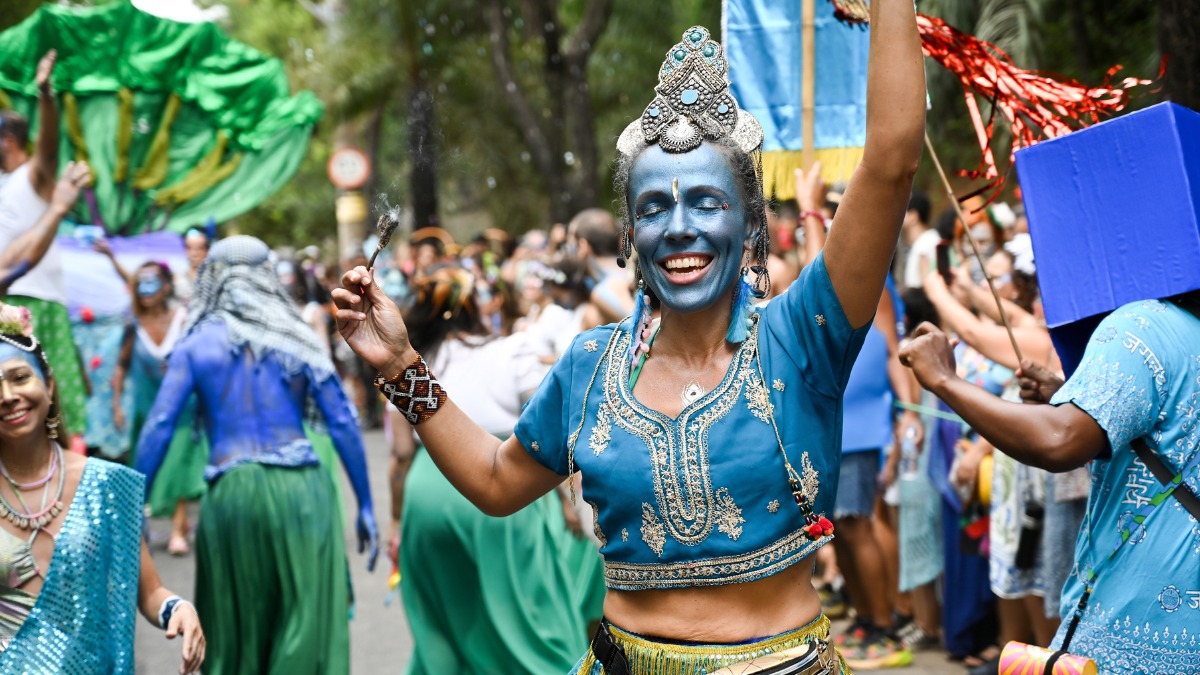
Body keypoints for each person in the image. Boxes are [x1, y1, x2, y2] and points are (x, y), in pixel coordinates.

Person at [336, 7, 923, 672]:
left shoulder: (800, 336)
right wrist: (401, 365)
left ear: (750, 221)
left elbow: (892, 158)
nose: (678, 227)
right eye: (653, 208)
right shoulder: (591, 363)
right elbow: (498, 482)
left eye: (706, 202)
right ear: (629, 238)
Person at [900, 292, 1200, 673]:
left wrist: (943, 379)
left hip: (1130, 633)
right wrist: (1073, 399)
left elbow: (1059, 441)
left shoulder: (1144, 326)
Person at [135, 236, 379, 675]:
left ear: (211, 279)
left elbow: (158, 427)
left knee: (233, 639)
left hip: (232, 494)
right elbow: (342, 421)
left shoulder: (196, 344)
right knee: (306, 629)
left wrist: (131, 506)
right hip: (304, 491)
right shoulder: (296, 336)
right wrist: (365, 504)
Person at [394, 266, 604, 674]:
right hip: (502, 478)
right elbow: (554, 431)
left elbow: (400, 453)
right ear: (480, 308)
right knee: (527, 623)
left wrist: (393, 520)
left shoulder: (420, 361)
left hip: (426, 492)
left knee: (444, 623)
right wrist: (567, 496)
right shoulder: (513, 350)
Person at [0, 302, 204, 673]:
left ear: (48, 385)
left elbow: (150, 591)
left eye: (19, 378)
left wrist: (179, 608)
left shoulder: (106, 482)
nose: (8, 395)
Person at [0, 51, 90, 440]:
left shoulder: (32, 176)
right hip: (5, 294)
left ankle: (71, 477)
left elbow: (50, 147)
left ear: (9, 140)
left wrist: (45, 94)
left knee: (55, 402)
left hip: (37, 300)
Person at [95, 248, 206, 556]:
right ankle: (144, 528)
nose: (145, 290)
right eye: (140, 284)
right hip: (147, 412)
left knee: (179, 466)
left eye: (152, 282)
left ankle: (177, 529)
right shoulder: (133, 327)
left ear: (167, 286)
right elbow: (120, 366)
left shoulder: (184, 320)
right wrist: (116, 404)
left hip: (184, 410)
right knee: (146, 472)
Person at [566, 208, 634, 324]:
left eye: (570, 240)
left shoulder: (605, 290)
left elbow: (645, 329)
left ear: (583, 247)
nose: (567, 249)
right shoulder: (631, 274)